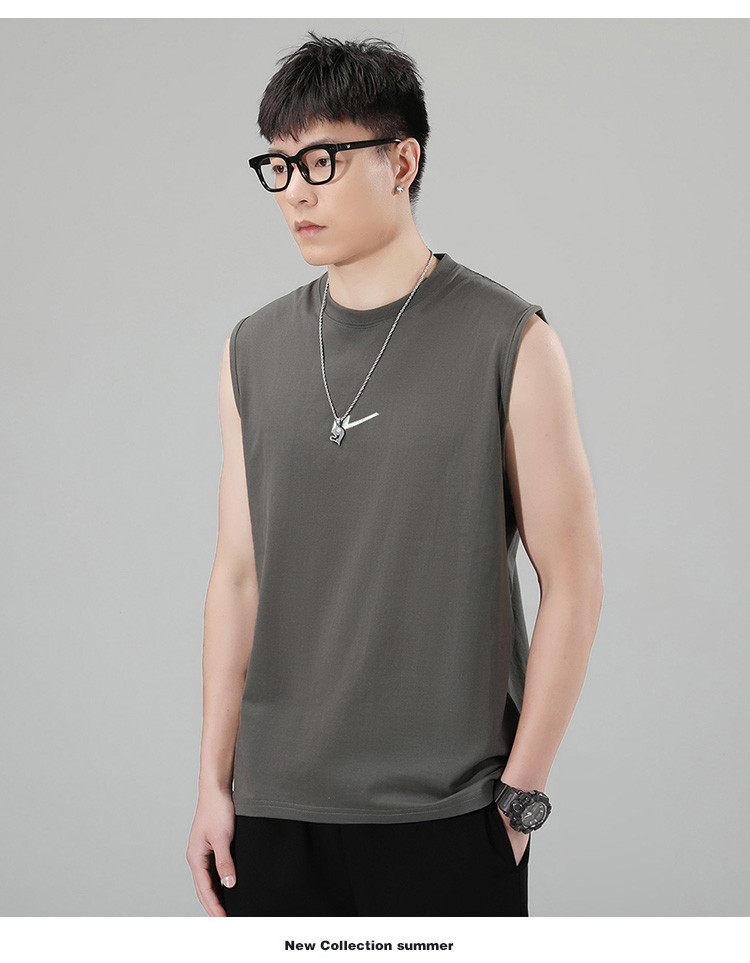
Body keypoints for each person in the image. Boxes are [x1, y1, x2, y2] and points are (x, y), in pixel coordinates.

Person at [186, 31, 603, 918]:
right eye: (279, 166)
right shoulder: (250, 349)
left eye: (323, 160)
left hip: (450, 812)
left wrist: (521, 795)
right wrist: (213, 784)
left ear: (402, 162)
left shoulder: (512, 341)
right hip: (275, 809)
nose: (296, 191)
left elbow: (574, 575)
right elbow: (238, 574)